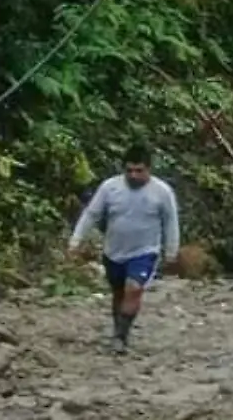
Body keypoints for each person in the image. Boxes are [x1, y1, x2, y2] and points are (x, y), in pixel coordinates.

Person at [67, 144, 180, 353]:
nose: (133, 175)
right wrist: (76, 241)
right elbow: (92, 214)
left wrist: (171, 251)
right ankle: (118, 329)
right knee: (118, 293)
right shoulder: (110, 188)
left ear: (149, 169)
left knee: (134, 288)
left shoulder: (162, 192)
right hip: (114, 252)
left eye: (139, 171)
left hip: (145, 251)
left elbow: (170, 222)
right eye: (129, 170)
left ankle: (120, 336)